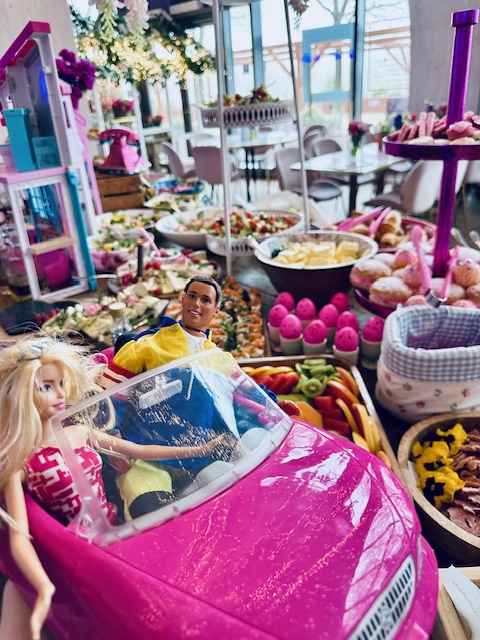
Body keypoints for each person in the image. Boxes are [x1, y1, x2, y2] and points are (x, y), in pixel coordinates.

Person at [0, 336, 227, 640]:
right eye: (47, 387)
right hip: (78, 551)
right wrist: (43, 587)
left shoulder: (80, 432)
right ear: (22, 395)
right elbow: (19, 536)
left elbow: (139, 450)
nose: (60, 393)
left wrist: (197, 450)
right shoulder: (21, 461)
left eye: (61, 383)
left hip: (116, 528)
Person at [101, 275, 229, 389]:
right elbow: (111, 396)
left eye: (205, 300)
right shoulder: (146, 344)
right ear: (183, 300)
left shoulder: (223, 360)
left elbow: (236, 399)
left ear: (216, 310)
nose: (196, 303)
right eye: (192, 296)